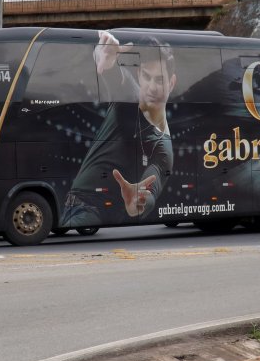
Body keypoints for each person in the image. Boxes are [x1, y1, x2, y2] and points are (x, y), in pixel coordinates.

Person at [60, 31, 177, 227]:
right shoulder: (128, 97)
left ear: (171, 83)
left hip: (93, 212)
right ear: (139, 75)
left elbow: (152, 188)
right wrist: (107, 62)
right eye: (147, 77)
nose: (152, 87)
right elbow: (116, 78)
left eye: (160, 80)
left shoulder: (164, 148)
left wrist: (139, 201)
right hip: (76, 206)